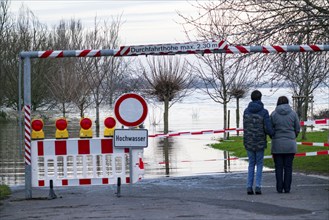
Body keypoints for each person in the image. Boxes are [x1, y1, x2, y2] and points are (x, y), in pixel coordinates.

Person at [243, 90, 274, 195]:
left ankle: (248, 186)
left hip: (249, 141)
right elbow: (267, 127)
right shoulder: (264, 112)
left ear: (251, 98)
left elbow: (245, 127)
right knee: (259, 164)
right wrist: (272, 134)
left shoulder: (246, 111)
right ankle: (258, 186)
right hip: (260, 141)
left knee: (251, 164)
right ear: (260, 98)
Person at [270, 96, 300, 193]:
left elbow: (270, 129)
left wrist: (273, 137)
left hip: (277, 144)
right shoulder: (293, 114)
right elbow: (297, 128)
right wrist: (293, 136)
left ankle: (279, 188)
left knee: (278, 167)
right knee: (288, 167)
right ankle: (287, 188)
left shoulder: (273, 114)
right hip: (290, 144)